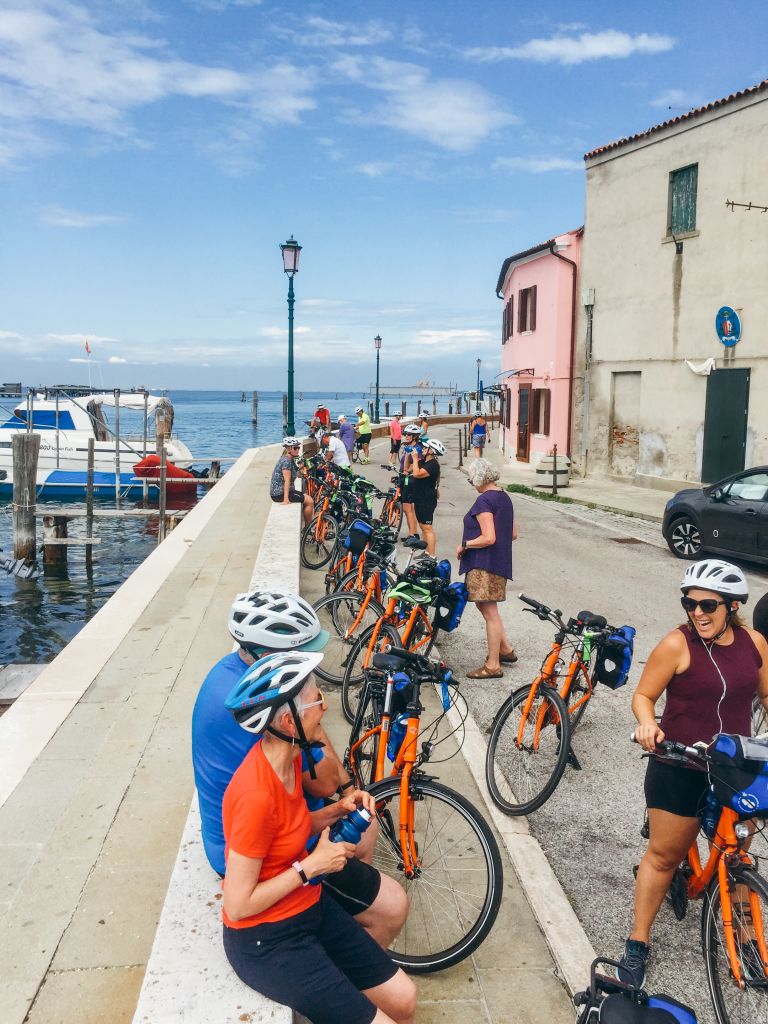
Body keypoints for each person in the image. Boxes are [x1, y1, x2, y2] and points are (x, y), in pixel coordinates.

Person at [192, 590, 408, 945]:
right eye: (303, 656)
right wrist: (337, 779)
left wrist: (345, 789)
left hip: (258, 825)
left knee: (360, 822)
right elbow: (323, 783)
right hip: (249, 855)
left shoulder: (236, 676)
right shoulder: (259, 712)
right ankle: (346, 943)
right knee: (390, 903)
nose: (310, 670)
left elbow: (329, 774)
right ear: (270, 656)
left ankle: (342, 904)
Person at [222, 652, 418, 1024]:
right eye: (317, 701)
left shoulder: (290, 760)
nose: (324, 708)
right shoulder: (255, 795)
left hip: (308, 907)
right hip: (267, 938)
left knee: (404, 1000)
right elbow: (237, 904)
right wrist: (310, 867)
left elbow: (288, 829)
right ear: (288, 722)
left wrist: (335, 810)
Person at [620, 559, 768, 987]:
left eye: (708, 605)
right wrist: (648, 723)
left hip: (734, 768)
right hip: (679, 763)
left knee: (736, 852)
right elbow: (644, 695)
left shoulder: (755, 643)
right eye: (690, 603)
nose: (697, 613)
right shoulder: (676, 644)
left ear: (734, 606)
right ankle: (638, 941)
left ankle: (744, 938)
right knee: (664, 857)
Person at [457, 458, 517, 679]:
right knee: (484, 607)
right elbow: (512, 534)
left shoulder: (484, 501)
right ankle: (505, 649)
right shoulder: (504, 497)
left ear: (479, 478)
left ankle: (493, 665)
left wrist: (466, 544)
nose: (472, 482)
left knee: (490, 612)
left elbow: (489, 537)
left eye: (472, 478)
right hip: (499, 561)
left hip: (485, 563)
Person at [405, 437, 444, 556]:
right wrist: (409, 455)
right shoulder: (425, 462)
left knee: (427, 528)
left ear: (431, 451)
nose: (423, 449)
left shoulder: (433, 465)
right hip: (420, 499)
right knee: (422, 526)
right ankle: (427, 552)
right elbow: (407, 469)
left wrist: (416, 458)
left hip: (427, 500)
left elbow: (416, 474)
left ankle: (431, 555)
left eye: (426, 447)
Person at [270, 437, 313, 525]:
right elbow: (287, 480)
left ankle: (308, 528)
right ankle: (308, 528)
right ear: (289, 449)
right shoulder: (286, 461)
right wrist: (286, 500)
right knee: (310, 501)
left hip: (285, 491)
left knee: (305, 497)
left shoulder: (289, 459)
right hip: (279, 494)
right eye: (295, 448)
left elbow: (297, 475)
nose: (297, 450)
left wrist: (301, 468)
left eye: (298, 448)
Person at [399, 424, 423, 547]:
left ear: (414, 436)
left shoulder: (416, 450)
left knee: (408, 509)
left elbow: (411, 468)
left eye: (409, 434)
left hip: (410, 481)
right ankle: (412, 533)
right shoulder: (410, 448)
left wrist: (405, 470)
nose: (406, 436)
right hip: (406, 480)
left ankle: (413, 535)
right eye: (405, 434)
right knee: (407, 509)